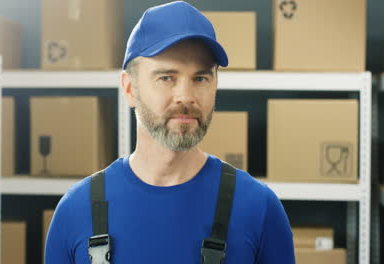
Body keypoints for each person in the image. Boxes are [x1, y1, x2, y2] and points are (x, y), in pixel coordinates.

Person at [45, 1, 296, 263]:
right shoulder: (76, 210)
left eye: (200, 78)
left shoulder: (259, 208)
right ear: (129, 88)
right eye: (167, 78)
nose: (185, 97)